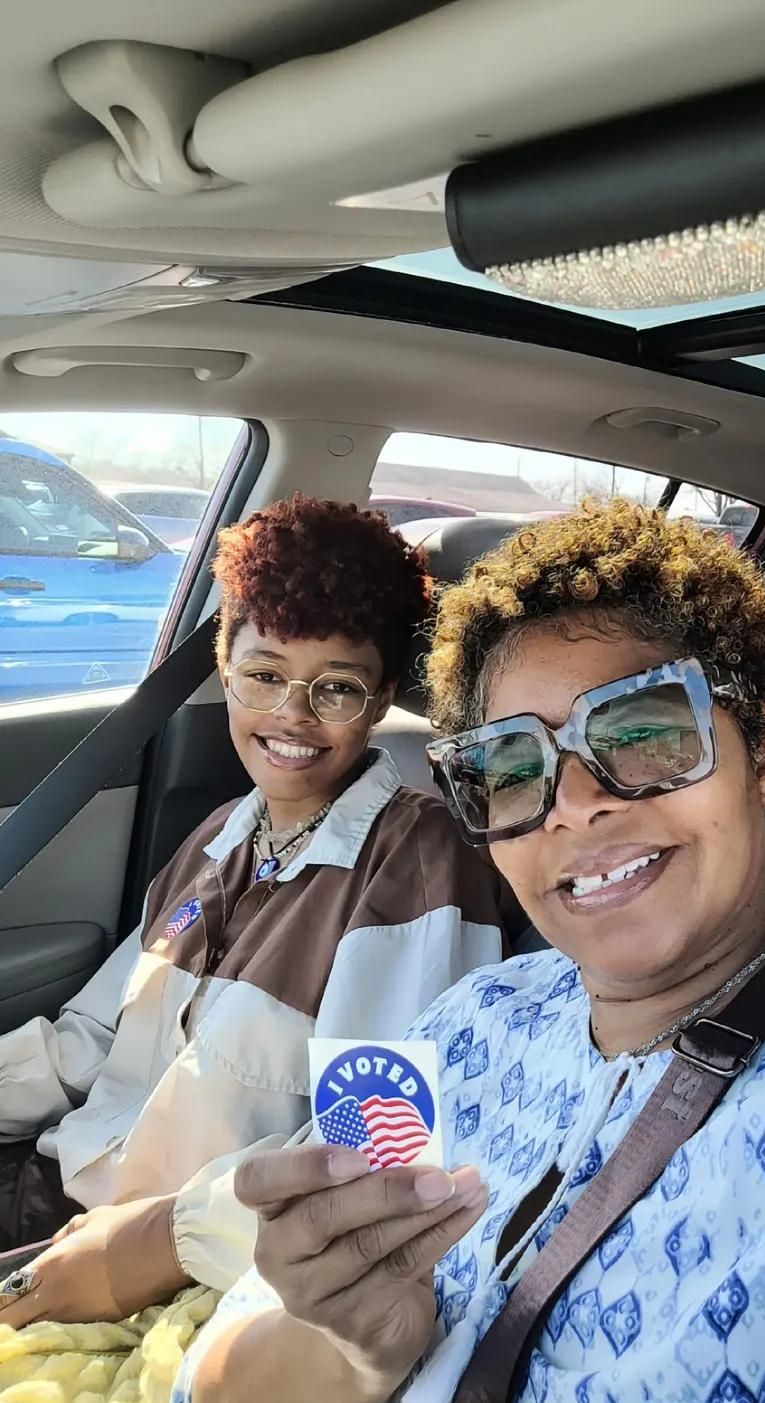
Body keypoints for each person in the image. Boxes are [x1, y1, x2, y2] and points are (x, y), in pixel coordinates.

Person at [177, 500, 765, 1403]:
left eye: (643, 731)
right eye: (510, 767)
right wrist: (356, 1348)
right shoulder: (466, 1023)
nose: (572, 805)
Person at [0, 493, 516, 1329]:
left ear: (383, 696)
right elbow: (91, 1041)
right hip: (51, 1191)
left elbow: (372, 1153)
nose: (292, 715)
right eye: (265, 676)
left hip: (163, 1273)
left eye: (337, 689)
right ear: (226, 667)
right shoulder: (219, 836)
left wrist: (156, 1247)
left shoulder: (415, 866)